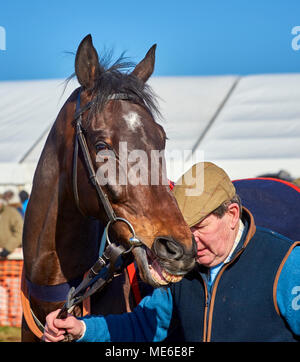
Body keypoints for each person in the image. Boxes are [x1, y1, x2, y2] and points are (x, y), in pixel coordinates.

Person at [43, 162, 300, 342]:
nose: (191, 240)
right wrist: (82, 329)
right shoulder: (181, 265)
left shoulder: (285, 262)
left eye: (200, 227)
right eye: (184, 230)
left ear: (232, 215)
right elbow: (144, 327)